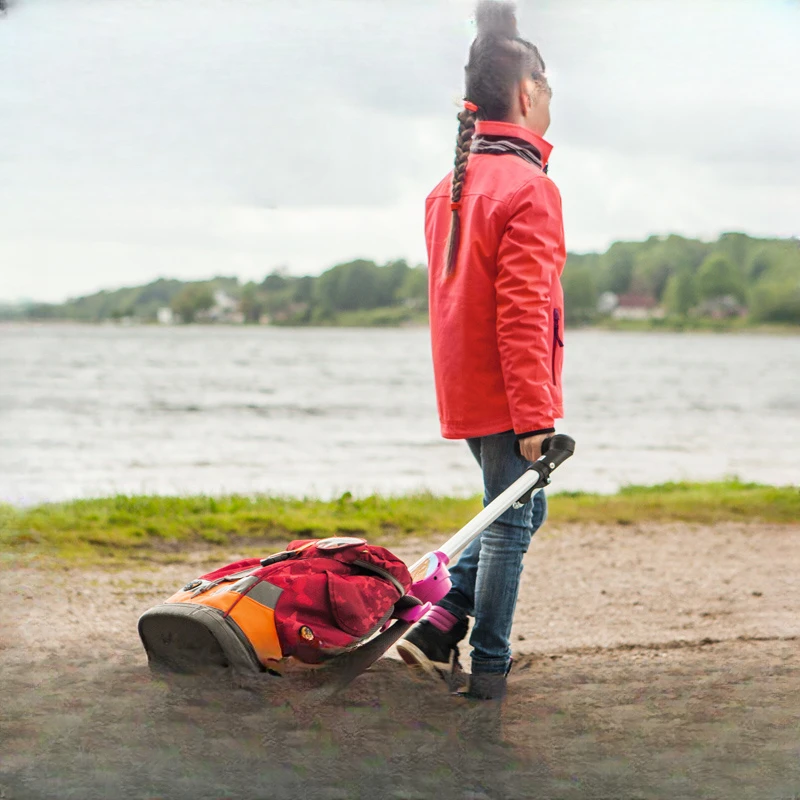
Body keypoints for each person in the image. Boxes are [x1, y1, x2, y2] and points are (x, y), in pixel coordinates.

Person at [396, 0, 566, 701]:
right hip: (507, 391)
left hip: (466, 387)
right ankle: (487, 668)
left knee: (519, 510)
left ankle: (437, 626)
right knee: (508, 523)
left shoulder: (453, 185)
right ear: (526, 95)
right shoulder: (530, 187)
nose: (553, 100)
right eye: (549, 88)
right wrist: (536, 415)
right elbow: (522, 312)